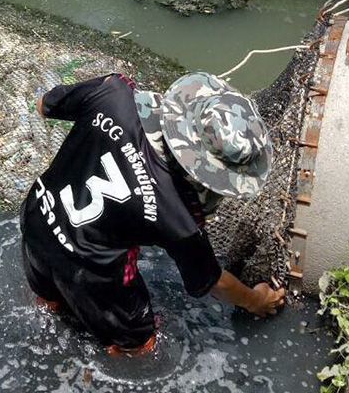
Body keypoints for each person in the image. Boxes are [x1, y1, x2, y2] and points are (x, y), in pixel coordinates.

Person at [20, 72, 285, 355]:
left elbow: (44, 105)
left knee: (50, 304)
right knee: (139, 346)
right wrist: (255, 300)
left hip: (37, 218)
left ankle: (50, 309)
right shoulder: (180, 217)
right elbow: (212, 281)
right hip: (89, 270)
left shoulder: (114, 94)